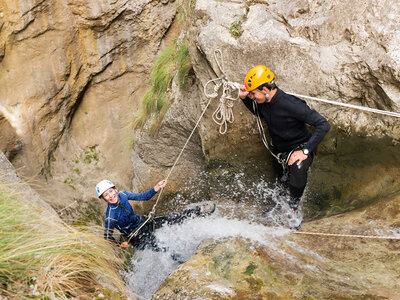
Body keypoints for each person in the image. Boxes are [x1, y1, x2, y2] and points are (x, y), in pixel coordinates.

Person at [239, 65, 330, 229]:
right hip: (280, 150)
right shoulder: (265, 101)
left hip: (300, 147)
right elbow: (259, 113)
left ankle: (293, 208)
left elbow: (323, 124)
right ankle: (279, 206)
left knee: (298, 167)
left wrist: (305, 151)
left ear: (266, 88)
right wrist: (244, 97)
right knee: (281, 180)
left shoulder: (291, 104)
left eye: (254, 93)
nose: (253, 97)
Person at [96, 179, 216, 250]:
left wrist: (157, 187)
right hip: (135, 237)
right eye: (106, 195)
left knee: (171, 218)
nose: (110, 196)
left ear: (115, 189)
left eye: (111, 191)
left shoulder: (123, 195)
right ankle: (181, 264)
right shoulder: (110, 217)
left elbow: (143, 197)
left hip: (142, 222)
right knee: (162, 248)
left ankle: (200, 211)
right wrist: (120, 245)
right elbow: (107, 237)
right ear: (103, 199)